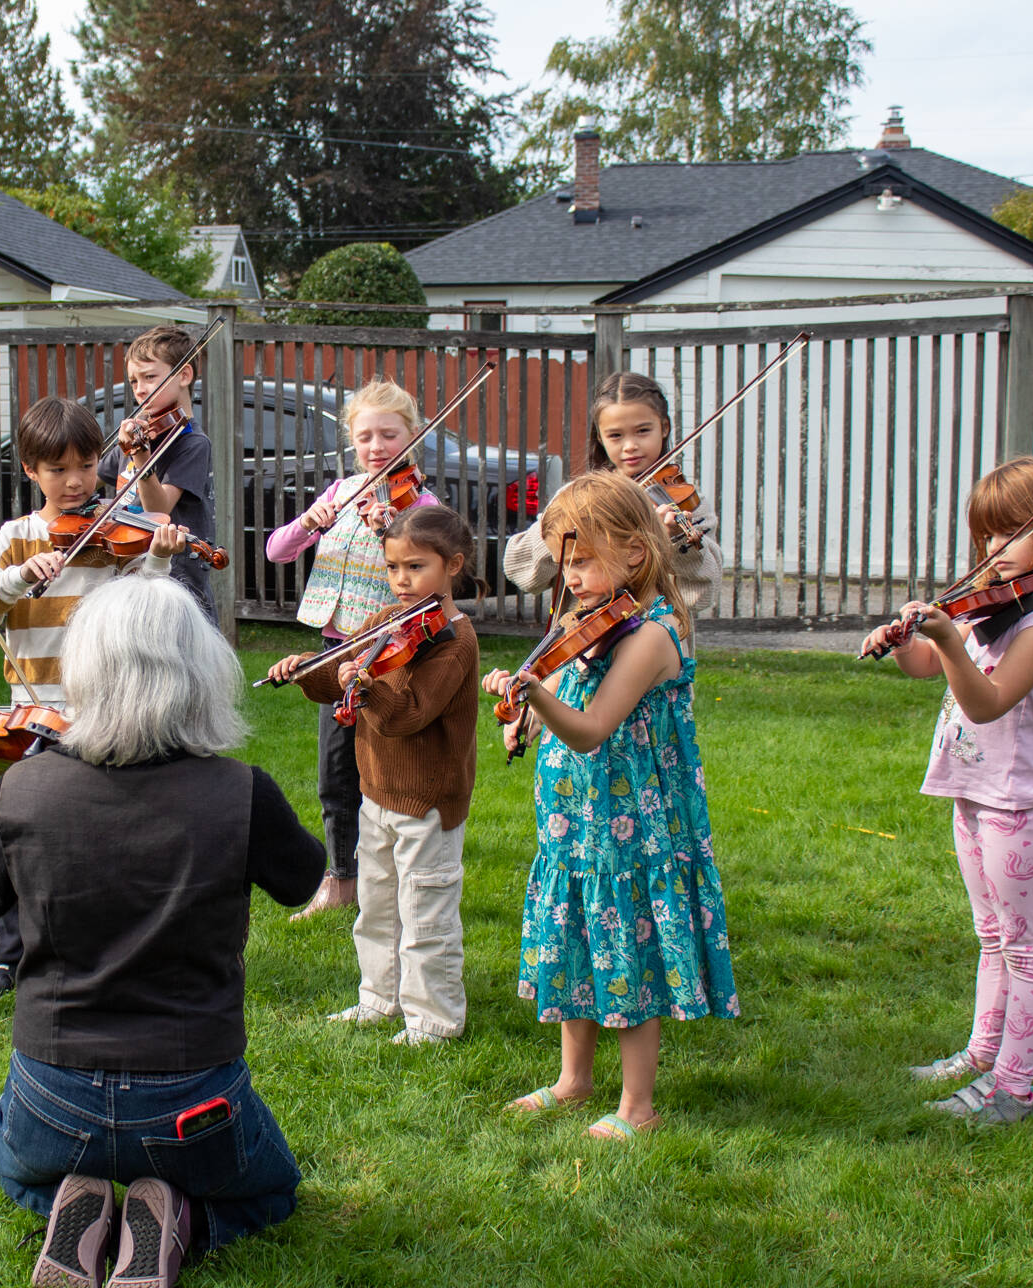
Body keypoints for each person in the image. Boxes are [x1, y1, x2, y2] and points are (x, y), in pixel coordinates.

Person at [0, 575, 324, 1288]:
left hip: (53, 1093)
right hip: (192, 1097)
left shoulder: (25, 787)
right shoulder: (242, 792)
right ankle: (181, 1216)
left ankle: (76, 1199)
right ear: (199, 673)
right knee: (275, 1190)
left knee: (22, 1176)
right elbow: (304, 878)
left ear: (84, 669)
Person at [484, 471, 737, 1141]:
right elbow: (563, 693)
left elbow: (593, 728)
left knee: (627, 948)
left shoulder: (652, 634)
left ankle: (638, 1105)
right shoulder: (586, 621)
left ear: (634, 551)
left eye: (585, 557)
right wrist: (526, 719)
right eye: (565, 561)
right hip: (575, 820)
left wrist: (536, 696)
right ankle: (573, 1080)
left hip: (633, 824)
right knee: (578, 939)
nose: (572, 576)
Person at [859, 457, 1033, 1126]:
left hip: (1020, 805)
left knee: (1025, 945)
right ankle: (981, 1053)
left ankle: (1014, 1087)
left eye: (1011, 532)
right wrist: (907, 638)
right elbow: (926, 666)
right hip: (974, 792)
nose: (993, 550)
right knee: (990, 935)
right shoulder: (995, 603)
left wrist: (950, 643)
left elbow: (988, 700)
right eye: (987, 536)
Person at [0, 396, 185, 995]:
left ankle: (110, 943)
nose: (76, 481)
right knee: (24, 828)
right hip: (35, 705)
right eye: (58, 469)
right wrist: (15, 578)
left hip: (103, 705)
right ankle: (14, 955)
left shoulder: (118, 530)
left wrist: (158, 559)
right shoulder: (17, 537)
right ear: (31, 471)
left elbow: (143, 606)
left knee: (108, 828)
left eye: (86, 465)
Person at [266, 502, 480, 1046]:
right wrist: (307, 674)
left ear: (453, 566)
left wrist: (361, 684)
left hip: (428, 797)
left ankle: (434, 1018)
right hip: (377, 790)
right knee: (378, 905)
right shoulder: (388, 621)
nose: (401, 581)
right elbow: (339, 673)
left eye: (416, 567)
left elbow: (408, 714)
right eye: (392, 568)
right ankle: (379, 999)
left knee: (424, 910)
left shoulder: (453, 642)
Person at [262, 378, 440, 919]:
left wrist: (395, 530)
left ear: (412, 438)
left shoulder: (423, 505)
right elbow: (276, 551)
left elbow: (430, 584)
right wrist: (307, 522)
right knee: (334, 772)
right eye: (365, 437)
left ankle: (402, 873)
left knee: (389, 771)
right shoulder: (339, 494)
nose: (377, 447)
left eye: (389, 435)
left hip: (393, 652)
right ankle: (341, 879)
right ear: (352, 443)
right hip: (336, 647)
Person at [503, 371, 724, 628]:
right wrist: (568, 520)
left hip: (653, 644)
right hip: (581, 641)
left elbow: (699, 596)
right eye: (616, 435)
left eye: (642, 431)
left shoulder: (686, 505)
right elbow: (520, 571)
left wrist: (675, 542)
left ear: (664, 427)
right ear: (599, 437)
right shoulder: (579, 497)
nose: (629, 445)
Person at [100, 323, 217, 614]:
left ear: (184, 375)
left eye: (150, 377)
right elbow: (91, 479)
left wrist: (140, 456)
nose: (140, 390)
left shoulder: (192, 444)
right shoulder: (138, 435)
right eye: (133, 382)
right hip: (134, 568)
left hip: (177, 579)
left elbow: (159, 509)